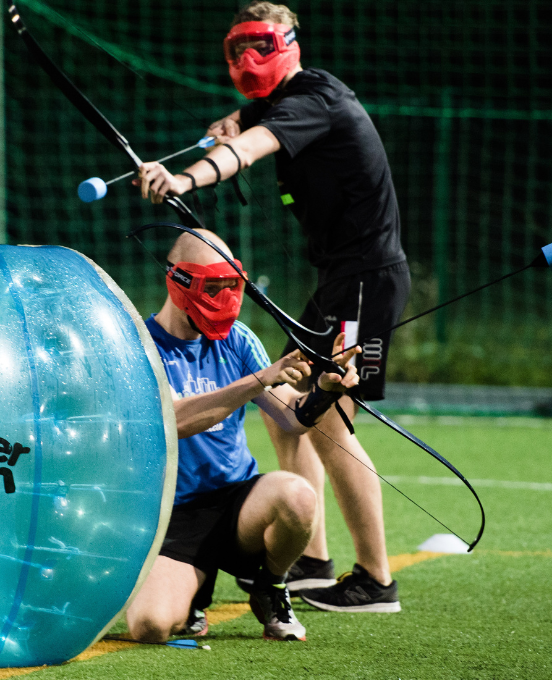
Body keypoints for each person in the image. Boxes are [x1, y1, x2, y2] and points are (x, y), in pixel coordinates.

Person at [135, 1, 409, 614]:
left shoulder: (317, 97)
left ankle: (375, 580)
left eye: (259, 45)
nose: (247, 59)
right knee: (288, 405)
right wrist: (225, 127)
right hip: (340, 279)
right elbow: (243, 124)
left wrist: (186, 179)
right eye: (236, 48)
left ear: (289, 43)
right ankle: (310, 560)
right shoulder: (277, 104)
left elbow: (251, 145)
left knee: (330, 417)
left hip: (364, 280)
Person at [125, 228, 359, 643]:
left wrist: (324, 391)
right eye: (212, 288)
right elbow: (172, 421)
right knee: (150, 626)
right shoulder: (140, 348)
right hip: (175, 515)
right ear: (178, 281)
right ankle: (195, 594)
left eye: (231, 287)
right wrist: (257, 380)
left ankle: (271, 585)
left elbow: (292, 418)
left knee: (298, 496)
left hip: (238, 504)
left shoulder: (238, 340)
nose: (225, 299)